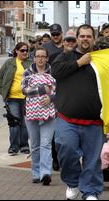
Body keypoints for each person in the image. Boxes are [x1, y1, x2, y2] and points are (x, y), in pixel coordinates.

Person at [52, 24, 104, 200]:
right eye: (82, 36)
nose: (85, 39)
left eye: (89, 36)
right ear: (77, 38)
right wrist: (79, 63)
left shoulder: (102, 59)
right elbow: (56, 72)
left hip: (95, 122)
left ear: (94, 39)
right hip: (68, 119)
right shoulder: (66, 56)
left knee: (92, 160)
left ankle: (90, 192)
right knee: (66, 150)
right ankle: (73, 183)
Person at [21, 47, 56, 185]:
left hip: (50, 113)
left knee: (46, 144)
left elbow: (59, 91)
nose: (40, 59)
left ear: (47, 58)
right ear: (34, 58)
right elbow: (24, 91)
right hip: (31, 113)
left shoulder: (53, 72)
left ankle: (45, 173)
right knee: (35, 145)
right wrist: (43, 89)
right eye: (38, 56)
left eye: (43, 56)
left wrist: (51, 98)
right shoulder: (27, 73)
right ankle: (36, 173)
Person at [0, 42, 31, 155]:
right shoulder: (9, 63)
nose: (25, 52)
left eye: (26, 50)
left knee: (25, 123)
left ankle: (24, 145)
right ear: (16, 51)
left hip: (27, 98)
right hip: (12, 98)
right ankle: (13, 146)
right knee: (14, 123)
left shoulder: (30, 64)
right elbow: (0, 77)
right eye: (22, 50)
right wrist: (2, 91)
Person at [42, 23, 64, 171]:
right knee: (51, 129)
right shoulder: (46, 49)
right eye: (53, 34)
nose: (55, 36)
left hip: (65, 90)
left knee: (63, 129)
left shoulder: (68, 46)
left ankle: (62, 158)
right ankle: (55, 159)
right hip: (49, 91)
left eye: (57, 34)